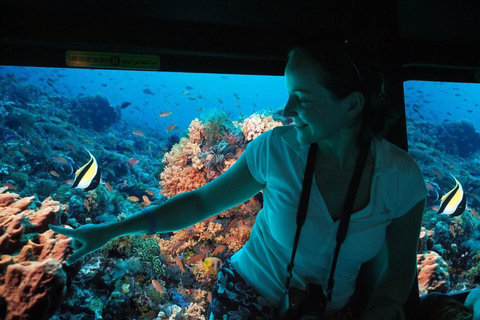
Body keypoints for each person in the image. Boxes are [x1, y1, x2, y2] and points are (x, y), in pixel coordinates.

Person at [50, 29, 427, 319]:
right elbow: (200, 201)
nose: (286, 109)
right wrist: (109, 230)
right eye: (288, 93)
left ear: (352, 105)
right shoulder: (275, 150)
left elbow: (398, 268)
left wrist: (382, 309)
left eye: (303, 98)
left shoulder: (402, 178)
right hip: (245, 295)